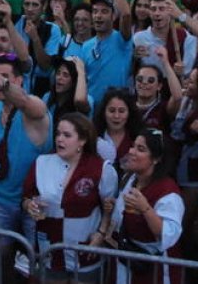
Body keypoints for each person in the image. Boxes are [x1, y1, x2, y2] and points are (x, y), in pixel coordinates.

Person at [0, 51, 52, 283]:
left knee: (37, 259)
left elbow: (25, 102)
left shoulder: (33, 108)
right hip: (0, 201)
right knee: (0, 256)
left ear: (18, 81)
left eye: (4, 76)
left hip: (35, 202)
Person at [22, 112, 118, 281]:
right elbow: (25, 198)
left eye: (67, 135)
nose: (60, 139)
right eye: (58, 134)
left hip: (85, 254)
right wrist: (29, 205)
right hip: (50, 252)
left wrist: (101, 233)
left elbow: (109, 208)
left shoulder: (102, 169)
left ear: (82, 140)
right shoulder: (41, 162)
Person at [108, 129, 185, 284]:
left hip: (155, 269)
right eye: (133, 146)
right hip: (126, 259)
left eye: (140, 149)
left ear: (156, 159)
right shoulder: (129, 178)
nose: (132, 152)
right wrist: (114, 206)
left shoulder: (168, 193)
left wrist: (145, 209)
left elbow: (167, 235)